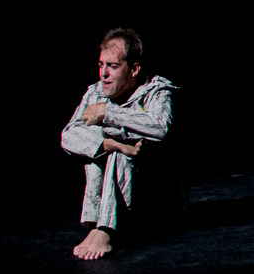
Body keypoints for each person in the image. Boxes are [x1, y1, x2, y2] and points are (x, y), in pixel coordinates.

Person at [60, 27, 178, 260]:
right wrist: (109, 143)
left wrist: (108, 113)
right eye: (101, 65)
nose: (104, 74)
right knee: (103, 145)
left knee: (123, 147)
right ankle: (99, 224)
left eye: (112, 66)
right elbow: (68, 135)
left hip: (157, 203)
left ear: (134, 69)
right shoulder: (95, 93)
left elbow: (160, 128)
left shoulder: (157, 90)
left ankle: (107, 230)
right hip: (122, 204)